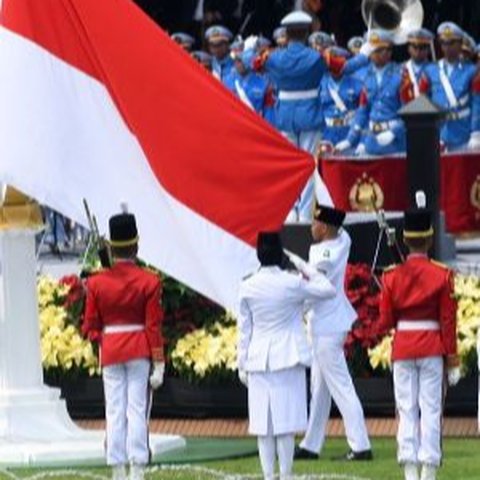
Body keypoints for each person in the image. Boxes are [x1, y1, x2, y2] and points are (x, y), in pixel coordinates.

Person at [237, 231, 335, 480]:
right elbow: (327, 289)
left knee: (264, 426)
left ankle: (270, 476)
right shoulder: (291, 282)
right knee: (285, 425)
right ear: (281, 254)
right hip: (288, 356)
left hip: (259, 359)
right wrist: (302, 264)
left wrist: (241, 363)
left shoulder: (247, 285)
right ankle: (286, 475)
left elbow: (244, 329)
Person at [374, 196, 459, 480]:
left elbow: (386, 321)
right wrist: (453, 358)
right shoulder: (442, 275)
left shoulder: (391, 276)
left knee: (407, 409)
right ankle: (429, 470)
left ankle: (410, 469)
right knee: (431, 408)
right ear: (431, 237)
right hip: (432, 346)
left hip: (404, 345)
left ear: (405, 238)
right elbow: (447, 320)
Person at [82, 211, 165, 480]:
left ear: (111, 247)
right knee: (137, 408)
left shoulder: (96, 282)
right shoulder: (149, 281)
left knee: (114, 410)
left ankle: (117, 468)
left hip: (112, 348)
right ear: (136, 246)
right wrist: (159, 361)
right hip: (139, 347)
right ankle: (137, 467)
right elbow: (153, 326)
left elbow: (90, 326)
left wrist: (103, 339)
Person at [291, 204, 372, 461]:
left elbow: (315, 288)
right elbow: (341, 228)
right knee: (320, 389)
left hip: (326, 326)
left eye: (315, 224)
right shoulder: (343, 240)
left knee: (341, 388)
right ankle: (311, 444)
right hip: (327, 324)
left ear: (324, 227)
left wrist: (294, 305)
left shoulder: (323, 254)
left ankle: (360, 445)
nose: (311, 228)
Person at [418, 22, 480, 151]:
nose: (447, 47)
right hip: (438, 132)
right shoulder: (430, 70)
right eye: (443, 43)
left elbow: (476, 103)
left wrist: (476, 132)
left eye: (452, 43)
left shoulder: (472, 71)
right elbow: (423, 102)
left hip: (463, 132)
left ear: (460, 43)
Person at [346, 29, 407, 156]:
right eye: (372, 50)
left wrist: (394, 132)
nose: (373, 54)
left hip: (394, 141)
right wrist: (350, 139)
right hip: (372, 140)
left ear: (388, 52)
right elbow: (363, 110)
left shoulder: (401, 76)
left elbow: (408, 112)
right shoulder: (365, 76)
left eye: (378, 50)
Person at [318, 47, 362, 155]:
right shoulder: (321, 83)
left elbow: (363, 111)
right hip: (327, 132)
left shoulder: (357, 83)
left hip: (349, 130)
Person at [403, 28, 434, 101]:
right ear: (408, 48)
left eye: (422, 48)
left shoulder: (436, 70)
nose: (418, 51)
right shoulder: (400, 69)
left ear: (428, 49)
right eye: (414, 47)